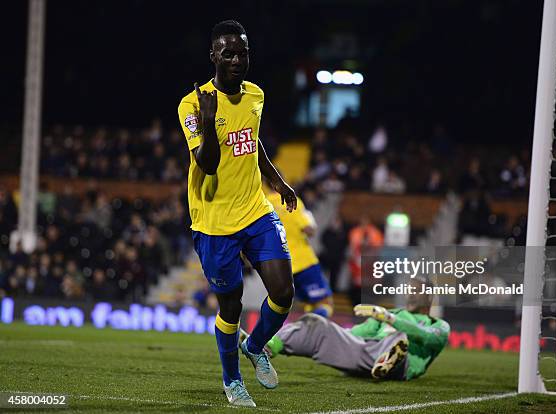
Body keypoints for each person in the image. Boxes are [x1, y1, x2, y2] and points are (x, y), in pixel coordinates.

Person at [177, 20, 297, 407]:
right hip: (213, 223)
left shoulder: (256, 95)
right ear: (213, 56)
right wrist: (210, 122)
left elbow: (253, 142)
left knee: (283, 291)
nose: (236, 60)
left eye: (242, 52)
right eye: (228, 53)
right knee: (231, 306)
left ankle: (257, 345)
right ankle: (232, 382)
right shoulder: (192, 105)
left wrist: (278, 182)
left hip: (255, 211)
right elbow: (208, 163)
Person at [259, 280, 450, 381]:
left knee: (398, 337)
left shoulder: (438, 324)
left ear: (429, 296)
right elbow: (356, 333)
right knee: (316, 323)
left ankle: (390, 359)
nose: (411, 293)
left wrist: (390, 319)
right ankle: (265, 346)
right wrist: (336, 334)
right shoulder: (388, 313)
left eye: (417, 290)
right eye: (410, 289)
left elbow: (429, 339)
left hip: (403, 367)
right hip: (364, 353)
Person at [266, 189, 333, 318]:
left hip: (280, 267)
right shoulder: (290, 199)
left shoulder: (262, 204)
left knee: (305, 305)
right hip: (303, 262)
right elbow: (309, 230)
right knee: (325, 303)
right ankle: (307, 329)